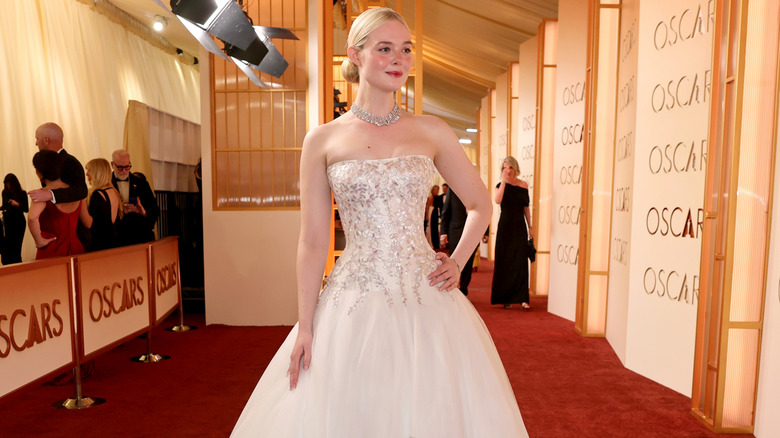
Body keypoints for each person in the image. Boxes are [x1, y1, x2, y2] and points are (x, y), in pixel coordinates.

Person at [231, 8, 527, 437]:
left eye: (405, 50)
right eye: (384, 49)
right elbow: (313, 242)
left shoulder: (432, 130)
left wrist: (459, 262)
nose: (398, 59)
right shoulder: (322, 140)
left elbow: (482, 204)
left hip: (426, 298)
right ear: (356, 54)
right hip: (352, 299)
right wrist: (306, 326)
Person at [490, 156, 533, 309]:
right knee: (505, 261)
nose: (507, 170)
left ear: (515, 169)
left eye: (509, 168)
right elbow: (497, 200)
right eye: (504, 168)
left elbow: (526, 208)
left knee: (520, 261)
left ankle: (523, 299)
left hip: (519, 227)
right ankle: (505, 298)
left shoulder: (523, 185)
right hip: (505, 227)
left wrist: (530, 226)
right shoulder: (499, 185)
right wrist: (503, 181)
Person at [27, 151, 84, 259]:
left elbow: (32, 218)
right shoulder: (76, 192)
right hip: (76, 248)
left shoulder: (41, 194)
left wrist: (39, 241)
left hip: (51, 249)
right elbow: (87, 222)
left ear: (40, 172)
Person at [440, 187, 489, 296]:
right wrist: (443, 232)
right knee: (454, 261)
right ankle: (452, 289)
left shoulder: (479, 190)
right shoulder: (453, 189)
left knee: (468, 262)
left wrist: (486, 232)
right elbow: (446, 212)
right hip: (455, 232)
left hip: (473, 232)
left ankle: (464, 289)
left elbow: (484, 211)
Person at [29, 123, 87, 205]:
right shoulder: (49, 162)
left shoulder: (69, 161)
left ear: (46, 140)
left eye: (37, 139)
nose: (36, 143)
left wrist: (49, 194)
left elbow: (81, 191)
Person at [110, 150, 159, 245]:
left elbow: (154, 209)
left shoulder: (141, 183)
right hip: (116, 240)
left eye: (127, 167)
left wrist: (142, 211)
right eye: (120, 167)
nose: (124, 171)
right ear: (112, 164)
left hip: (140, 236)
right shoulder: (107, 184)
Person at [80, 158, 121, 251]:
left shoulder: (97, 194)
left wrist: (80, 199)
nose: (86, 174)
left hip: (99, 245)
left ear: (97, 172)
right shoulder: (113, 191)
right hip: (113, 243)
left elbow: (88, 224)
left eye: (89, 170)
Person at [1, 173, 28, 264]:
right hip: (8, 222)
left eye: (9, 184)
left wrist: (17, 204)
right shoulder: (4, 192)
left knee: (16, 246)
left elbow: (26, 209)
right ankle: (8, 264)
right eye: (6, 184)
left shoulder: (22, 193)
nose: (7, 186)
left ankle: (17, 264)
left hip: (18, 222)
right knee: (7, 246)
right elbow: (4, 206)